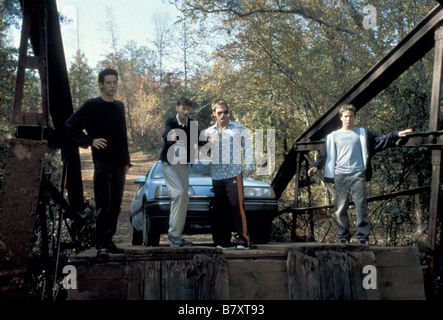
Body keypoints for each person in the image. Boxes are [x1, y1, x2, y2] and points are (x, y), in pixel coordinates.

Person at [307, 104, 412, 245]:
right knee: (340, 208)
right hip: (340, 175)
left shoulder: (362, 133)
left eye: (351, 116)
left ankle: (363, 238)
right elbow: (324, 154)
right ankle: (343, 238)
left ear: (354, 117)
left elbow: (380, 140)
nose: (348, 119)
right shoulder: (333, 136)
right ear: (340, 118)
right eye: (345, 116)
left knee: (360, 206)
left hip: (358, 174)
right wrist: (316, 165)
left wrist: (395, 134)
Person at [65, 68, 131, 257]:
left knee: (117, 204)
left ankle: (109, 240)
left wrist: (126, 160)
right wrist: (89, 141)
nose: (112, 86)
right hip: (102, 162)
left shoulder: (119, 106)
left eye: (115, 82)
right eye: (108, 82)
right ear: (101, 84)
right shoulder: (92, 105)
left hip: (119, 162)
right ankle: (101, 243)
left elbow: (122, 134)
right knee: (104, 202)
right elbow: (71, 125)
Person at [204, 99, 254, 250]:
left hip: (234, 173)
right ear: (214, 114)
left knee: (237, 207)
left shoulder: (238, 128)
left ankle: (243, 241)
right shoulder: (208, 132)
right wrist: (210, 143)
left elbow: (248, 147)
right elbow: (204, 153)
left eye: (226, 112)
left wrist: (249, 165)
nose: (223, 115)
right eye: (219, 112)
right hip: (217, 174)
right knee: (220, 209)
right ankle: (224, 242)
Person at [159, 97, 206, 247]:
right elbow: (166, 133)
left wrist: (213, 140)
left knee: (184, 198)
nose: (186, 112)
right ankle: (173, 234)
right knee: (178, 193)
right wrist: (169, 136)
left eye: (188, 109)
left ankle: (176, 236)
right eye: (183, 108)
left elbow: (200, 140)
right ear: (177, 108)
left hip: (183, 164)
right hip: (169, 163)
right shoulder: (171, 121)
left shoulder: (192, 124)